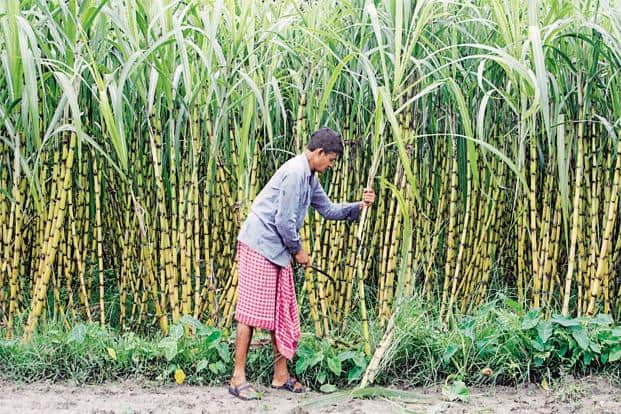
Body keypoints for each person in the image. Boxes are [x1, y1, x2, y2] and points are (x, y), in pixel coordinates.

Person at [227, 127, 376, 400]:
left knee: (279, 310)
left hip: (277, 249)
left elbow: (328, 209)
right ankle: (237, 377)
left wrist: (359, 206)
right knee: (250, 312)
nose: (330, 166)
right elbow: (283, 221)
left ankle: (280, 376)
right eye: (330, 160)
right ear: (319, 153)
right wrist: (298, 251)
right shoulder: (296, 173)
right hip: (259, 244)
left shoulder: (309, 177)